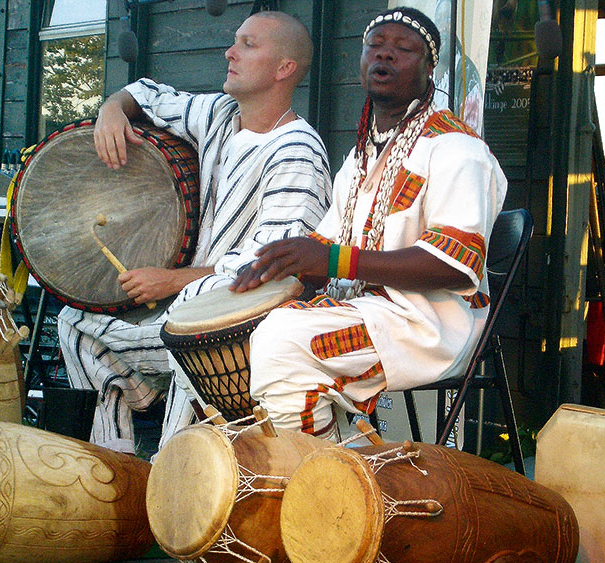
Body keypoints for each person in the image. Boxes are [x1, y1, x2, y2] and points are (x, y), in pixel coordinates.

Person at [57, 10, 331, 453]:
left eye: (248, 44)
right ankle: (116, 465)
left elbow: (275, 266)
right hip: (186, 308)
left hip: (246, 328)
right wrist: (112, 109)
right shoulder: (221, 114)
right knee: (75, 324)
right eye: (235, 40)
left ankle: (176, 473)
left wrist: (173, 280)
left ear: (284, 69)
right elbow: (146, 94)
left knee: (188, 331)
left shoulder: (298, 152)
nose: (230, 51)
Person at [230, 7, 507, 439]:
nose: (385, 56)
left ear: (429, 67)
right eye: (375, 46)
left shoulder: (457, 150)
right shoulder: (361, 158)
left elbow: (452, 266)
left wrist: (334, 260)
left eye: (403, 49)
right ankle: (350, 475)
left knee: (283, 342)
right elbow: (325, 248)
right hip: (364, 311)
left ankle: (320, 487)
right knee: (248, 333)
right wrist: (272, 270)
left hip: (426, 325)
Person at [431, 0, 485, 132]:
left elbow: (472, 131)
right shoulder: (426, 69)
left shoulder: (467, 73)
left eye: (448, 19)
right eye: (440, 19)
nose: (443, 26)